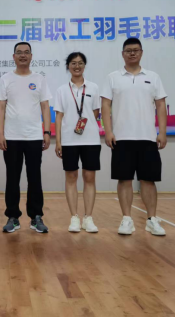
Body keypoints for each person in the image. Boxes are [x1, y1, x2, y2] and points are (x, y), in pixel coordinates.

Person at [101, 38, 168, 236]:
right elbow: (105, 105)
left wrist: (162, 132)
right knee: (124, 179)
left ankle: (151, 220)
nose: (132, 53)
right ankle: (126, 219)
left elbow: (161, 105)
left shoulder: (153, 77)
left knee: (149, 180)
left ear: (141, 53)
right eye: (128, 50)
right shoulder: (113, 77)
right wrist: (108, 131)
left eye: (136, 50)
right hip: (121, 138)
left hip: (147, 137)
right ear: (122, 54)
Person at [0, 42, 52, 233]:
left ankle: (36, 217)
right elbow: (0, 107)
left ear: (31, 56)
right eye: (19, 52)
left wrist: (47, 132)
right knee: (12, 178)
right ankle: (13, 217)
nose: (23, 55)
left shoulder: (39, 79)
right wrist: (0, 133)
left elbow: (45, 106)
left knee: (34, 177)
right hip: (11, 137)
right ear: (13, 57)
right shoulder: (6, 79)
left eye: (26, 52)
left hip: (34, 136)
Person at [54, 52, 101, 233]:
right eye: (73, 63)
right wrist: (58, 141)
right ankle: (74, 217)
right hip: (69, 140)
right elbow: (59, 117)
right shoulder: (62, 90)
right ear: (68, 66)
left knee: (89, 177)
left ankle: (88, 218)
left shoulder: (93, 87)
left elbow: (95, 113)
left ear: (84, 66)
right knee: (71, 177)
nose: (77, 66)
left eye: (80, 63)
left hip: (91, 140)